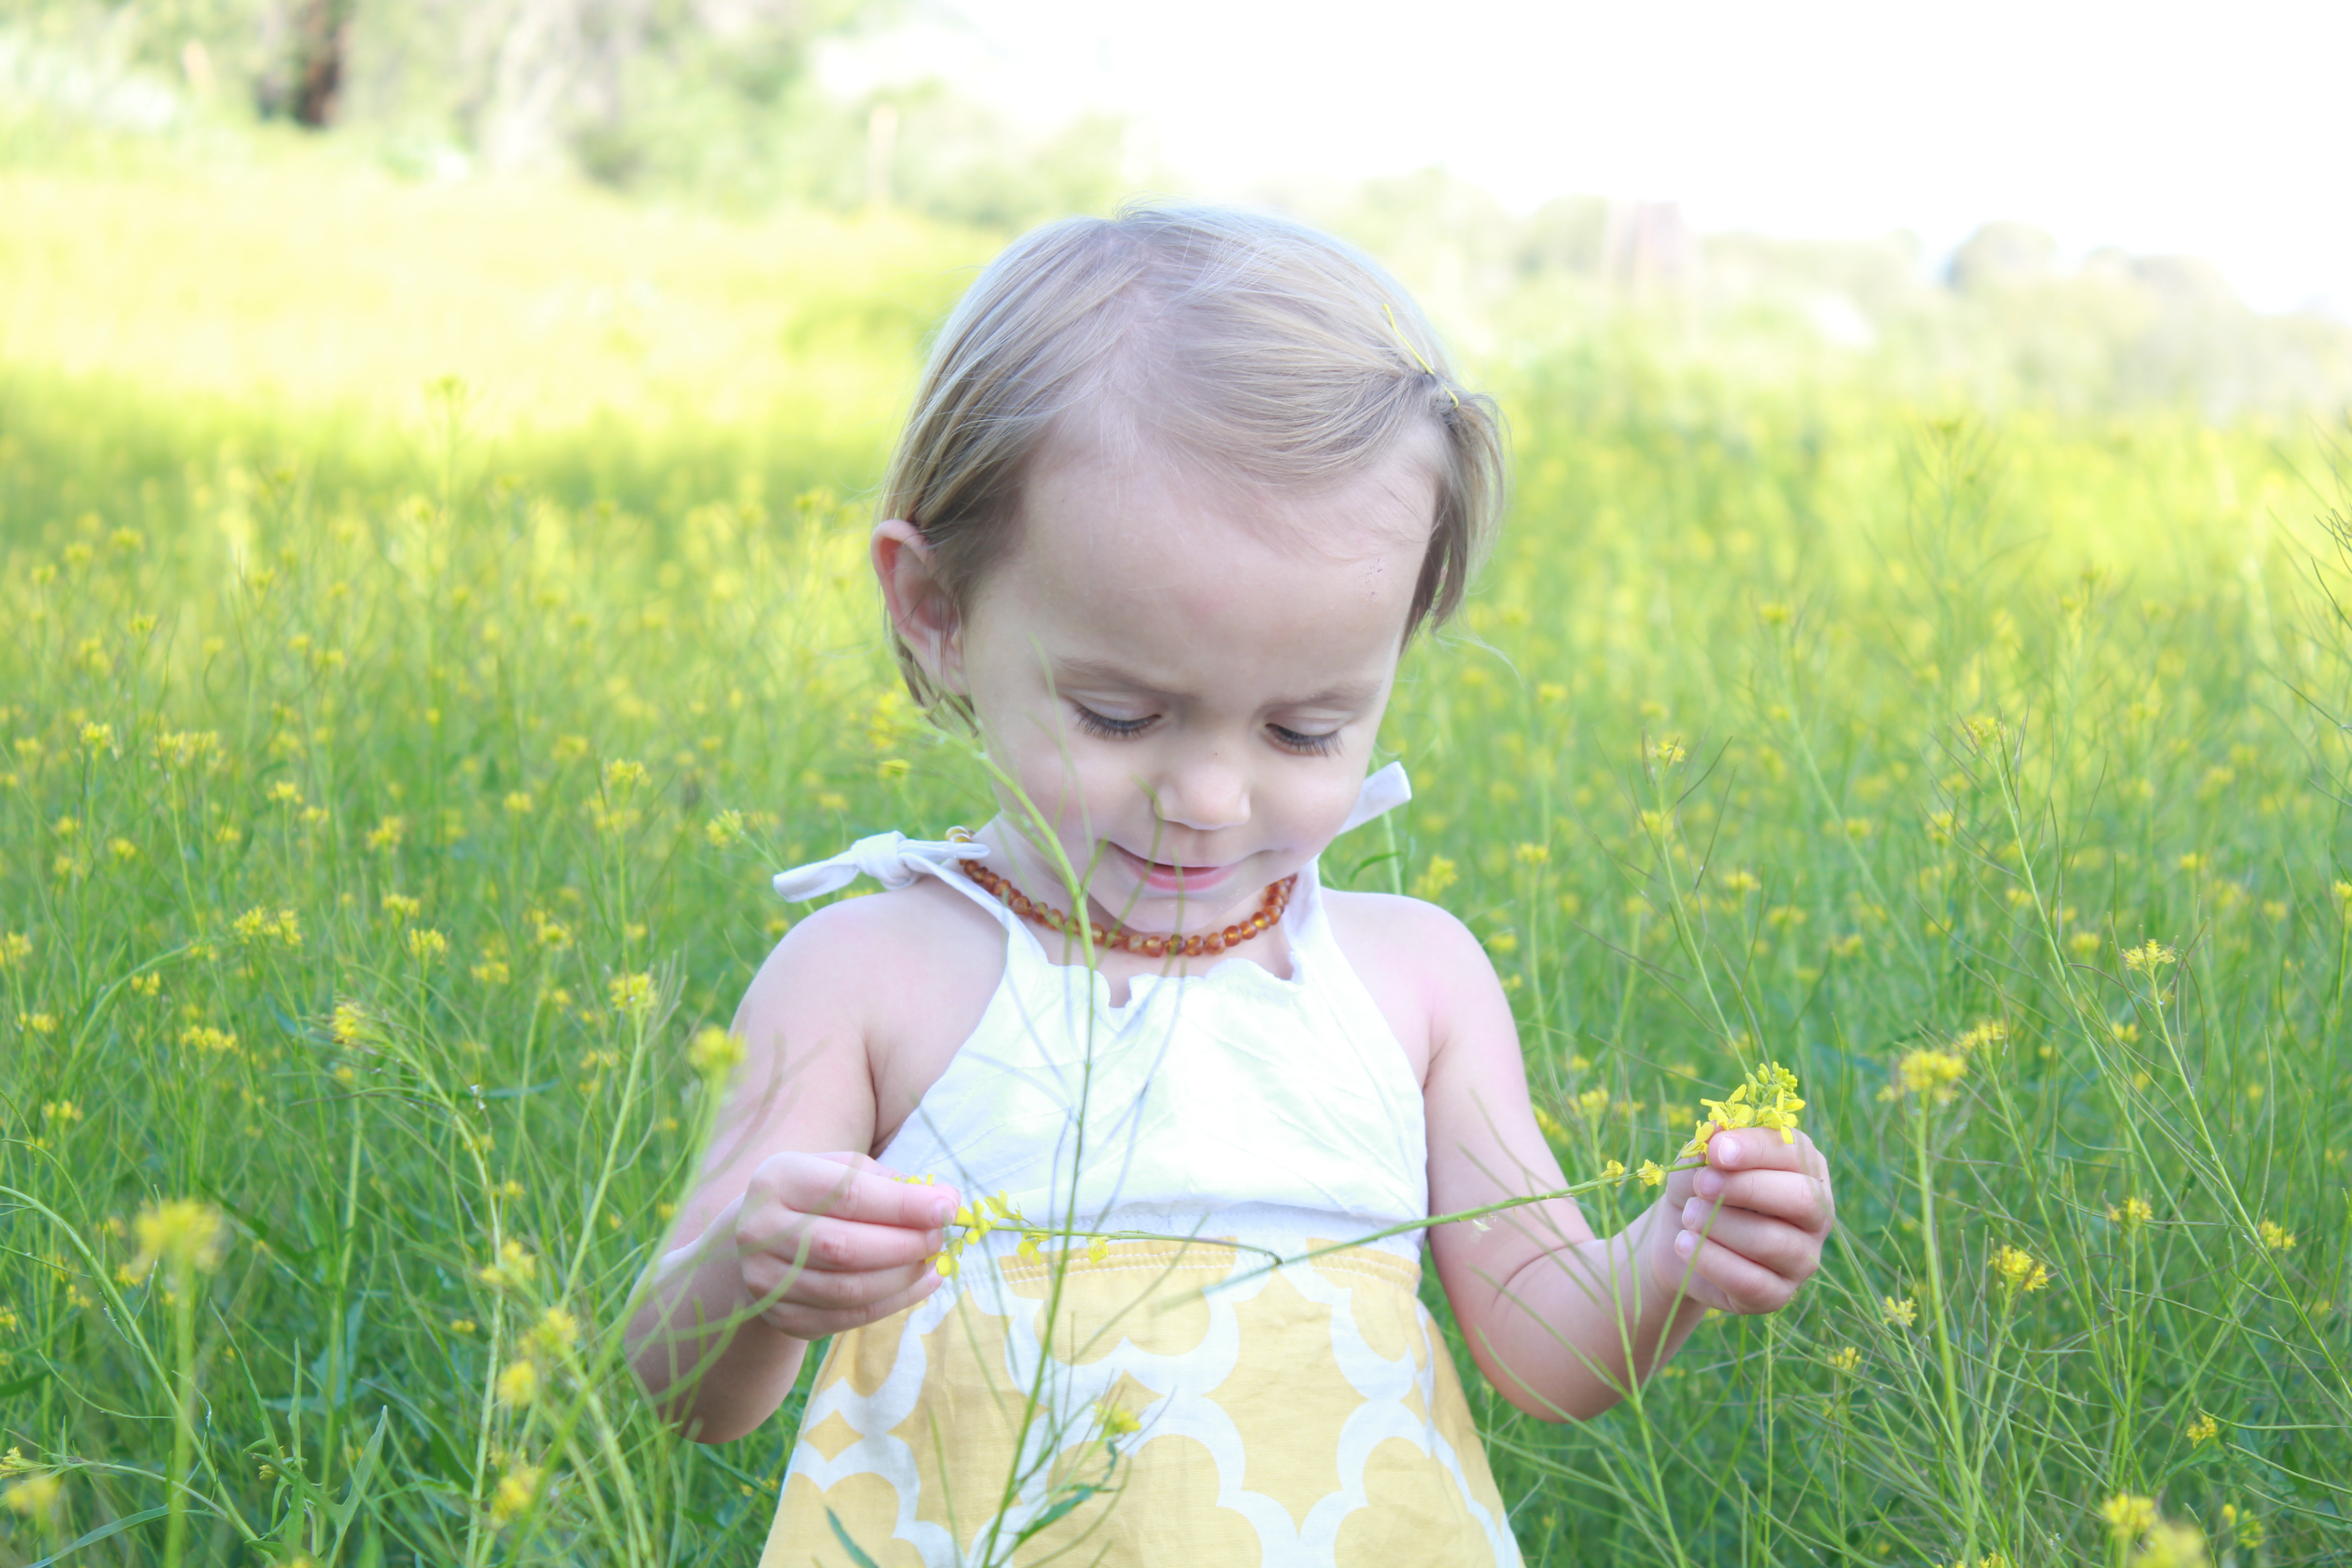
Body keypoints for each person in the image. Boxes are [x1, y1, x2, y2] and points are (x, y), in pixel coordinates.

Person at [625, 205, 1836, 1568]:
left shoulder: (1414, 982)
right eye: (1121, 715)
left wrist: (1672, 1257)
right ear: (938, 610)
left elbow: (1551, 1351)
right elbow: (689, 1391)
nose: (1208, 796)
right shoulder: (870, 975)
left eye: (1304, 731)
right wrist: (751, 1277)